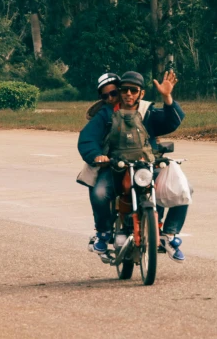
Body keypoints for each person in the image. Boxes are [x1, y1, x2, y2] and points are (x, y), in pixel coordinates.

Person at [77, 70, 188, 262]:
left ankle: (169, 235)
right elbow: (88, 139)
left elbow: (172, 122)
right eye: (124, 90)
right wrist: (97, 156)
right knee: (100, 193)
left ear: (141, 93)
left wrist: (167, 96)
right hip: (115, 168)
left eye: (134, 90)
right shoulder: (106, 114)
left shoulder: (148, 111)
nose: (129, 94)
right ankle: (103, 234)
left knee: (183, 189)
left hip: (147, 166)